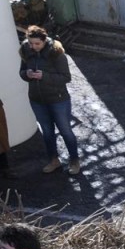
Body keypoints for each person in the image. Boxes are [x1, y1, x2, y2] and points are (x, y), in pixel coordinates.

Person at [18, 25, 80, 176]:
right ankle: (54, 160)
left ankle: (74, 160)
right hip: (37, 100)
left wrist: (43, 76)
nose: (33, 47)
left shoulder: (56, 53)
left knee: (65, 131)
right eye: (31, 43)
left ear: (44, 41)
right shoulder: (26, 50)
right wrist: (27, 74)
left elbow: (66, 77)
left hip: (58, 100)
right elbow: (21, 72)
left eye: (37, 44)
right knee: (47, 132)